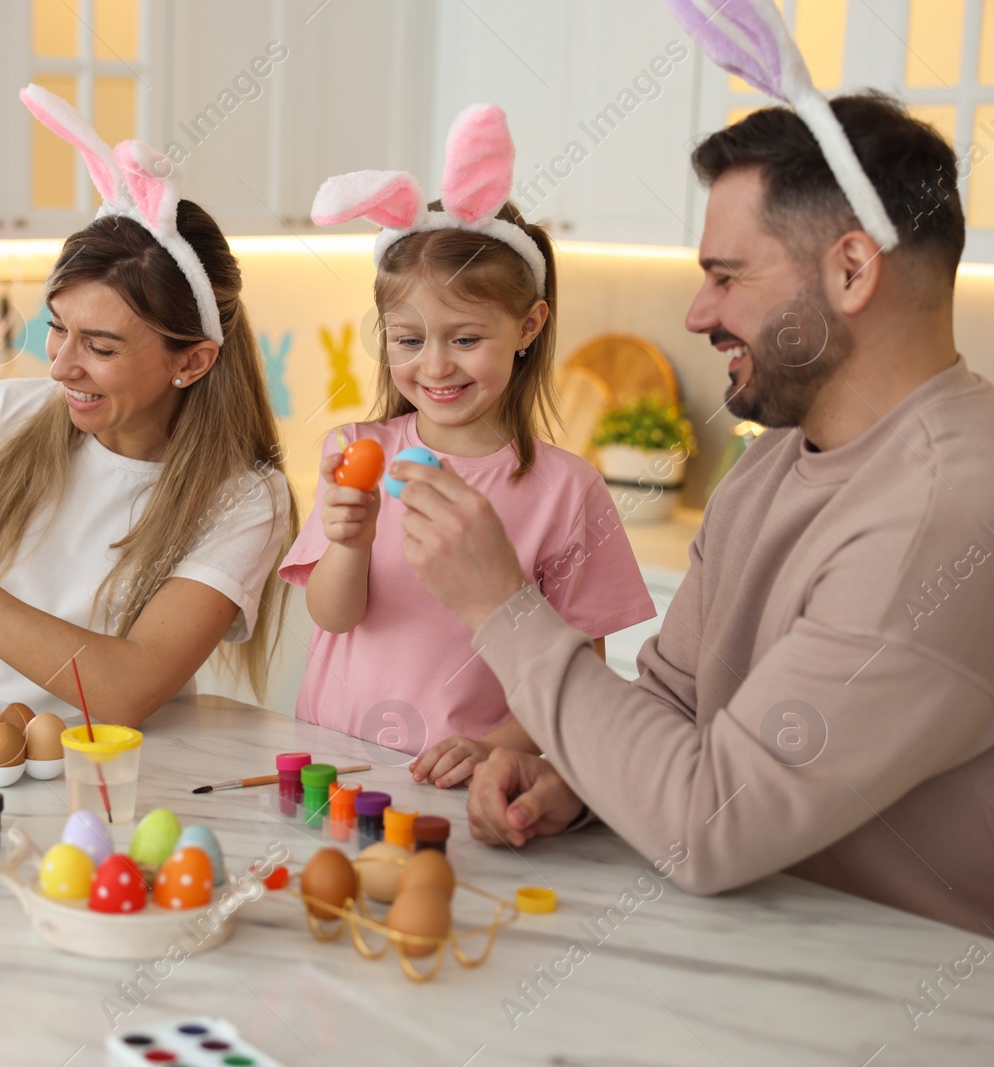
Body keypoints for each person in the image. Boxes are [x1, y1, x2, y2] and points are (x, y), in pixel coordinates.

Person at [406, 90, 994, 935]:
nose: (697, 312)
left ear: (853, 270)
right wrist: (579, 782)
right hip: (753, 950)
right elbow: (676, 705)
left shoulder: (943, 512)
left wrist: (503, 607)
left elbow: (713, 822)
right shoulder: (773, 465)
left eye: (727, 276)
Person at [0, 86, 297, 749]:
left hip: (105, 781)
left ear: (193, 361)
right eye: (58, 329)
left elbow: (126, 688)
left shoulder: (243, 497)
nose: (61, 365)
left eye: (101, 346)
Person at [278, 105, 654, 786]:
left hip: (462, 782)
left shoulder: (568, 491)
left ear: (528, 325)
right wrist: (349, 541)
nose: (437, 366)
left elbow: (581, 670)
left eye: (467, 338)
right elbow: (332, 616)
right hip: (332, 764)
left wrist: (498, 748)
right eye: (410, 340)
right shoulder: (356, 450)